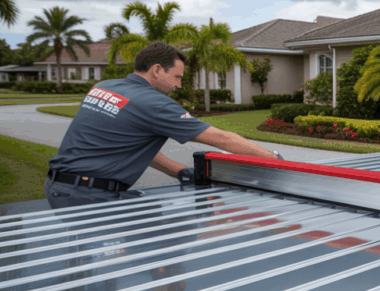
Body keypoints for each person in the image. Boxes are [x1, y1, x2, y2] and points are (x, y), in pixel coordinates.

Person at [44, 41, 284, 209]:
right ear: (157, 70)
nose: (178, 85)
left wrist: (178, 172)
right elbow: (220, 138)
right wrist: (273, 159)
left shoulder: (105, 87)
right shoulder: (154, 103)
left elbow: (127, 148)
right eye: (177, 77)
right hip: (89, 196)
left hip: (61, 186)